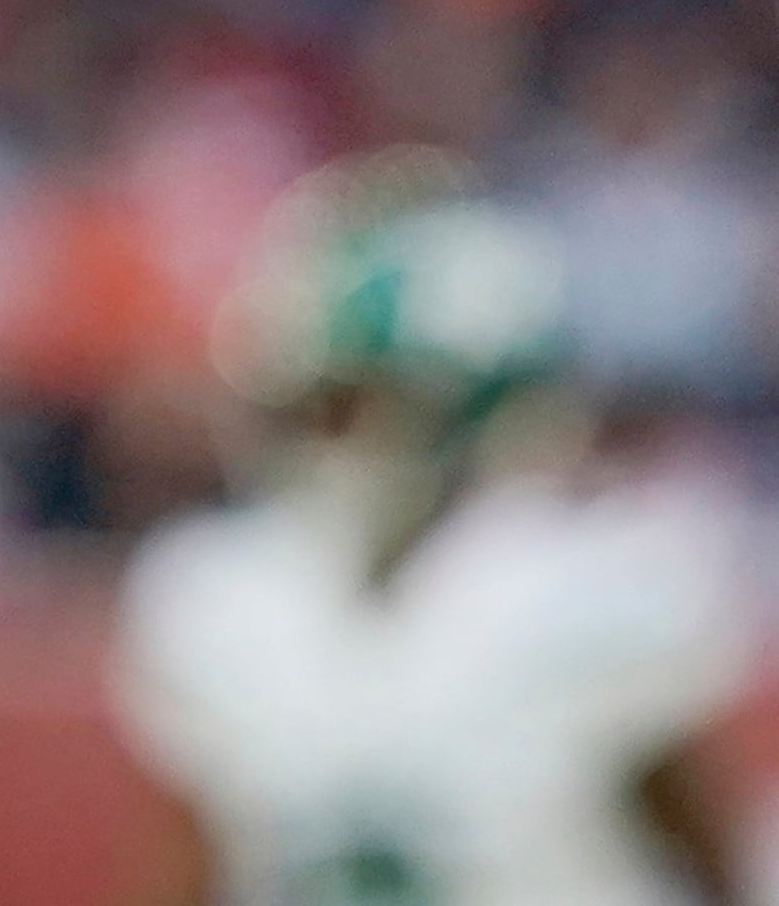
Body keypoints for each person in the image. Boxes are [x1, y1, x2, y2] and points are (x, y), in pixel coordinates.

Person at [113, 148, 756, 906]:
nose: (317, 437)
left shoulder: (606, 583)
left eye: (350, 401)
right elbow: (195, 860)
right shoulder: (219, 593)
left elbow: (698, 846)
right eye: (308, 405)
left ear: (467, 399)